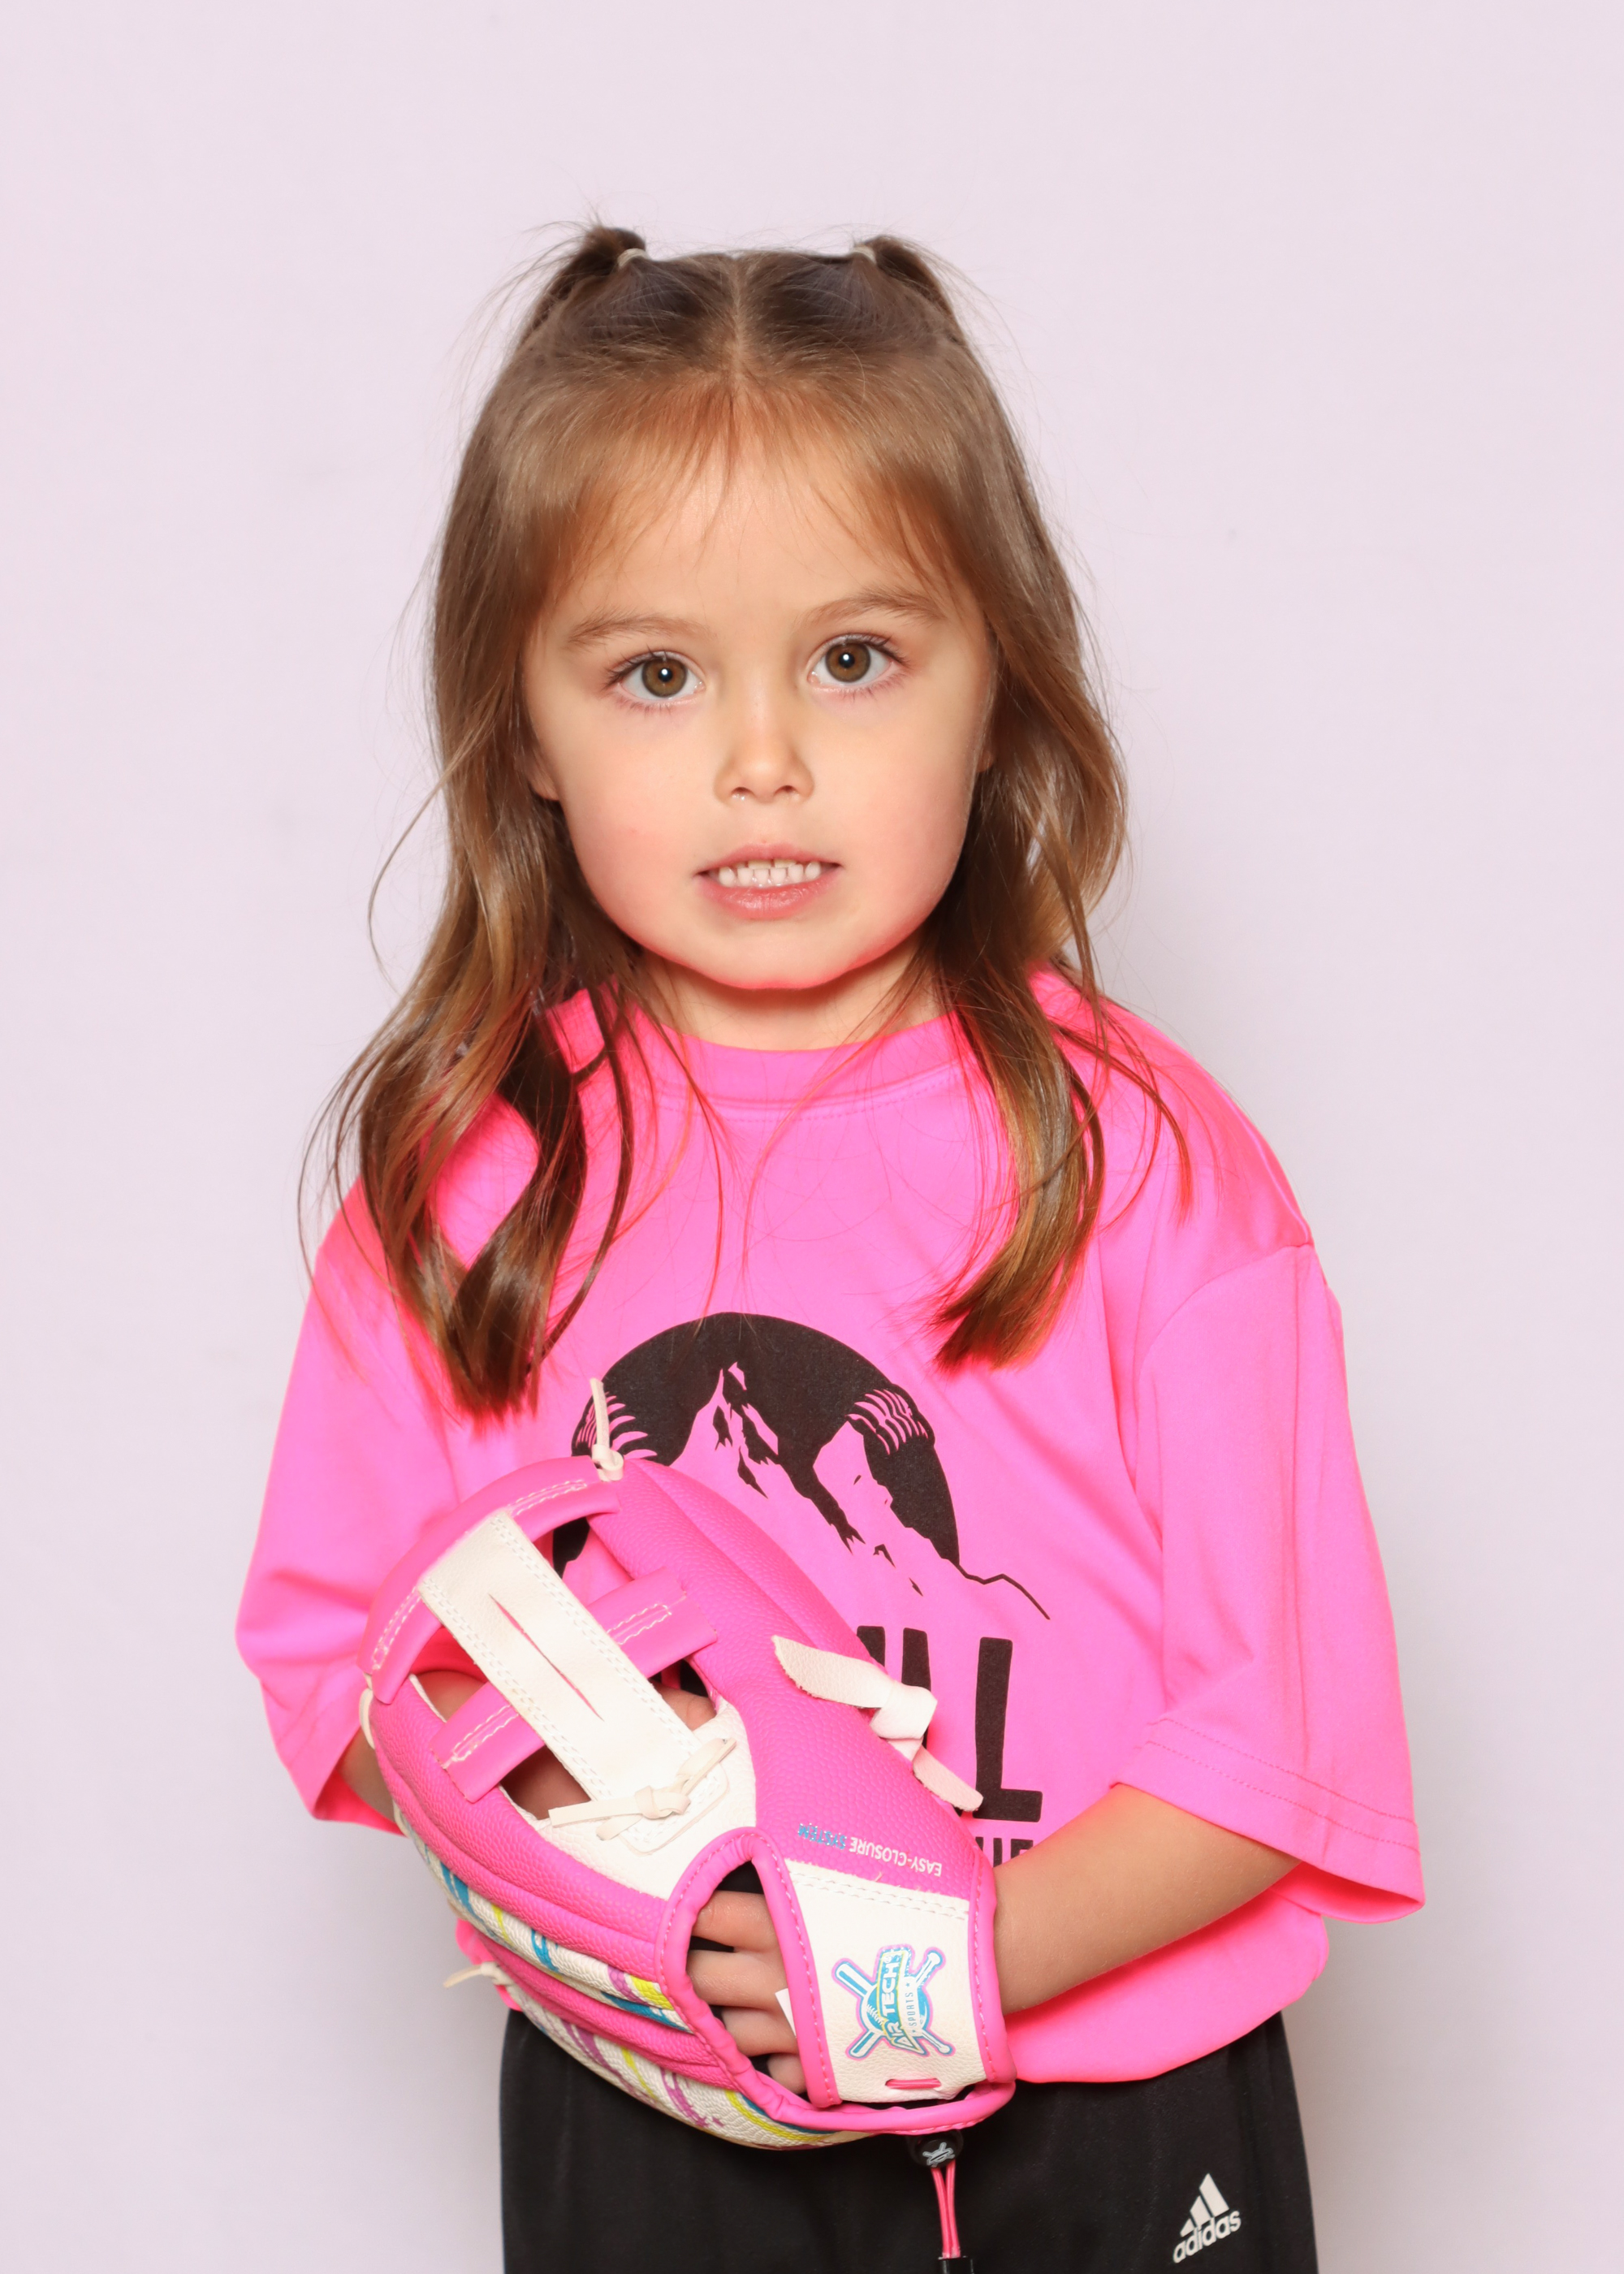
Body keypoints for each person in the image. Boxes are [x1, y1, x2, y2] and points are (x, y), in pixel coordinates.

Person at [237, 227, 1421, 2273]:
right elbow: (347, 1660)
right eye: (655, 674)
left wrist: (943, 1955)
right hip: (666, 2105)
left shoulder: (1138, 1160)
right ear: (523, 729)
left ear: (996, 689)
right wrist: (617, 1822)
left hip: (1116, 2086)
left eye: (854, 658)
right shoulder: (471, 1189)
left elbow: (1277, 1736)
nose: (760, 758)